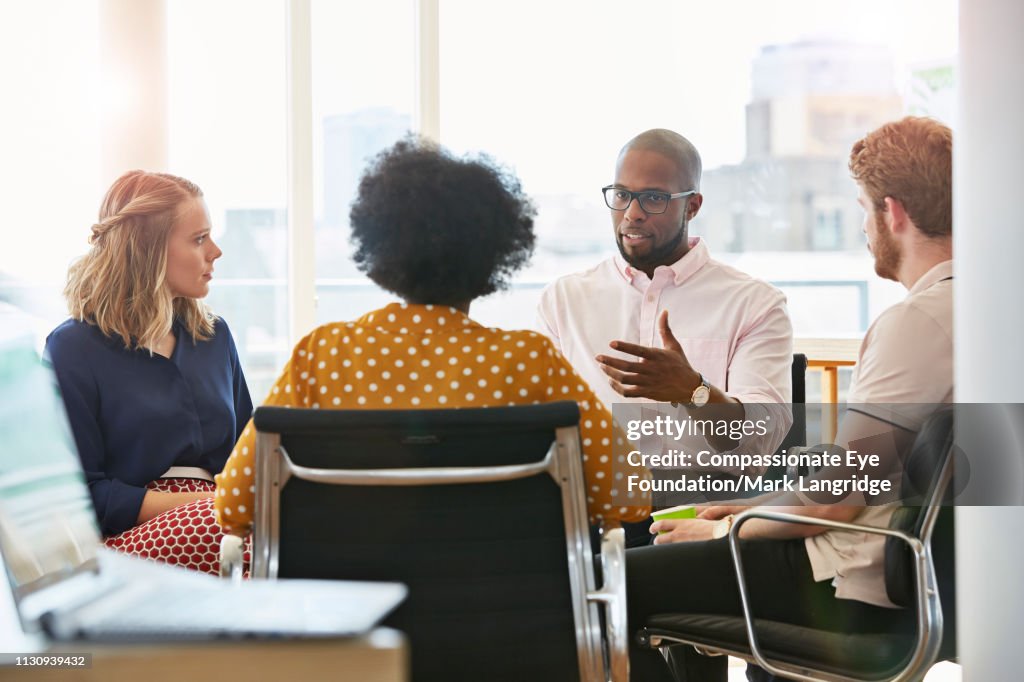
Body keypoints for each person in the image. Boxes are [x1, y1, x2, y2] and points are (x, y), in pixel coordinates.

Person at [625, 116, 954, 681]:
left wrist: (729, 528)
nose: (864, 228)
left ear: (892, 213)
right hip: (921, 571)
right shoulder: (989, 308)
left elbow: (835, 501)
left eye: (862, 209)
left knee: (614, 582)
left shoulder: (918, 322)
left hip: (851, 574)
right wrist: (754, 508)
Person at [214, 137, 650, 539]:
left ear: (381, 248)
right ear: (494, 256)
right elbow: (631, 496)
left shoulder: (324, 356)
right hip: (505, 610)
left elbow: (235, 503)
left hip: (352, 612)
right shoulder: (527, 361)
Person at [537, 128, 793, 521]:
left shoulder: (754, 303)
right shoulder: (564, 300)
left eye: (654, 198)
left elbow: (762, 440)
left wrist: (695, 393)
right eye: (622, 195)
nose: (632, 213)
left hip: (701, 514)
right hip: (592, 511)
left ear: (692, 206)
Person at [46, 170, 252, 575]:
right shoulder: (72, 348)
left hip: (223, 522)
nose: (216, 251)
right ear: (149, 249)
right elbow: (82, 494)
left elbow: (247, 455)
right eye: (198, 239)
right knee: (225, 530)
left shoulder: (215, 336)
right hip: (130, 537)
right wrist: (211, 505)